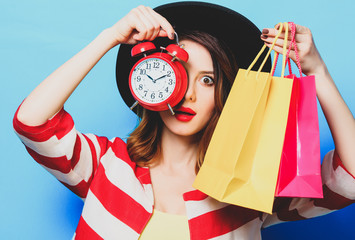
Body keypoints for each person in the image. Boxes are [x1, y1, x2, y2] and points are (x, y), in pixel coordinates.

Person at [13, 2, 355, 240]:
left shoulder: (250, 184)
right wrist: (110, 37)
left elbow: (350, 178)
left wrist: (316, 71)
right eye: (177, 75)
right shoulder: (106, 165)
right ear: (151, 83)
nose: (189, 94)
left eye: (207, 80)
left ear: (225, 96)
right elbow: (32, 122)